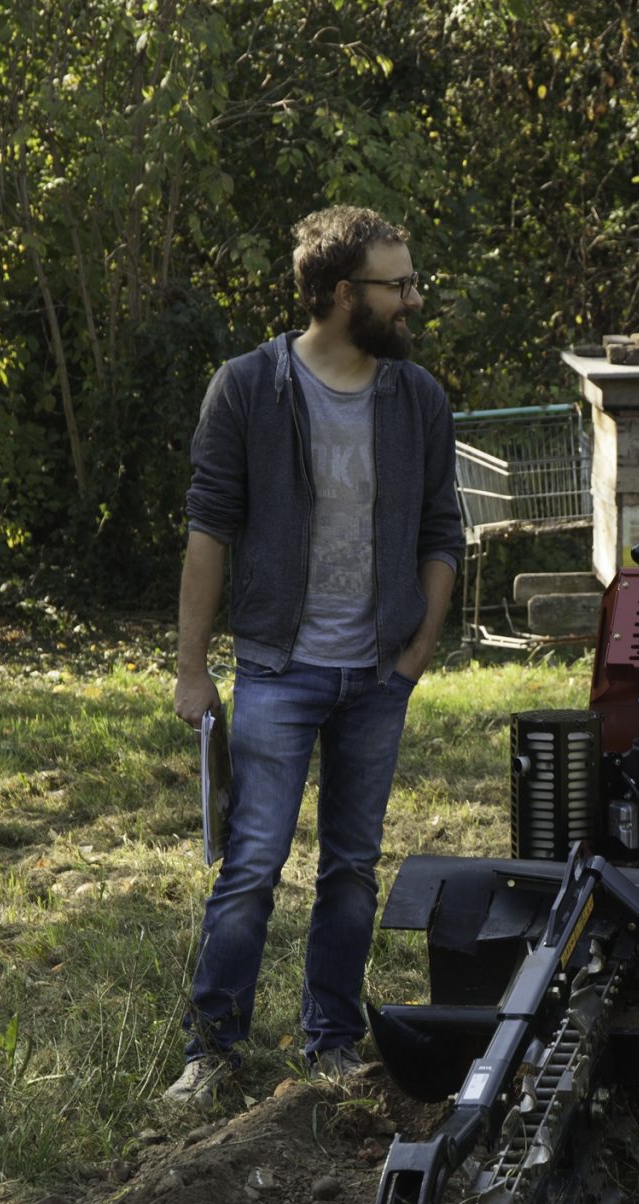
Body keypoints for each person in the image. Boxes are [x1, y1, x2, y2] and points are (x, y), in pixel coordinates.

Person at [165, 205, 463, 1104]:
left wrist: (414, 656)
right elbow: (209, 533)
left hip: (378, 674)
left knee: (351, 869)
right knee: (252, 864)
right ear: (342, 294)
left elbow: (442, 532)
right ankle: (213, 1049)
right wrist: (191, 668)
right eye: (398, 285)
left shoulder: (418, 398)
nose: (414, 300)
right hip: (276, 669)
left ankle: (330, 1039)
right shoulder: (247, 388)